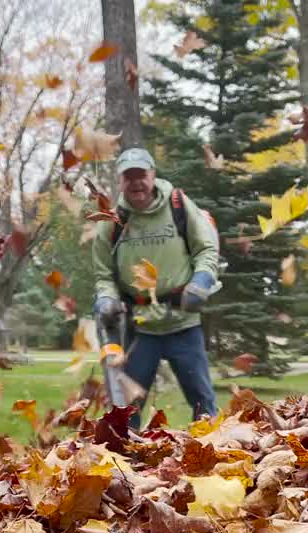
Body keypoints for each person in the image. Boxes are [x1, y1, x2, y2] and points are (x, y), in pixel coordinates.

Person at [93, 146, 220, 426]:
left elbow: (207, 249)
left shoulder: (178, 205)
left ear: (152, 175)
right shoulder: (110, 222)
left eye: (142, 174)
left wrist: (201, 281)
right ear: (120, 181)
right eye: (129, 176)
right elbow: (104, 275)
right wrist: (106, 299)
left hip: (182, 322)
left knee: (203, 401)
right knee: (128, 407)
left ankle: (215, 454)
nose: (136, 182)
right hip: (140, 329)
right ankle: (127, 462)